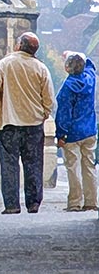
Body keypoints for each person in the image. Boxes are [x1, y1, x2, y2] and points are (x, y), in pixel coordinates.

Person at [0, 32, 55, 214]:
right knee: (34, 164)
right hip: (33, 123)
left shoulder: (5, 64)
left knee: (9, 165)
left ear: (18, 45)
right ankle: (33, 203)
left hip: (8, 122)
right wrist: (44, 113)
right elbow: (49, 98)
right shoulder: (41, 68)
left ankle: (12, 205)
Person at [55, 51, 98, 212]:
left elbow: (64, 113)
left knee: (73, 167)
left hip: (72, 133)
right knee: (89, 166)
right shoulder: (90, 79)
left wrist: (61, 134)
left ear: (67, 68)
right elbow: (90, 65)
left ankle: (75, 202)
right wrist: (77, 54)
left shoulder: (67, 87)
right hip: (89, 130)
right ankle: (91, 201)